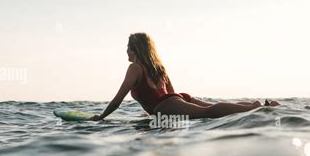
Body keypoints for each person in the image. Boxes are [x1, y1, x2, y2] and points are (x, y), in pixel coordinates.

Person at [90, 32, 280, 121]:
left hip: (167, 106)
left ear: (134, 49)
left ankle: (253, 109)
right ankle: (255, 107)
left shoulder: (135, 68)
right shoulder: (158, 67)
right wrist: (151, 113)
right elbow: (171, 94)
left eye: (127, 46)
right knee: (209, 109)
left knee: (209, 112)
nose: (126, 50)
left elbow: (118, 100)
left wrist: (101, 117)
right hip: (175, 101)